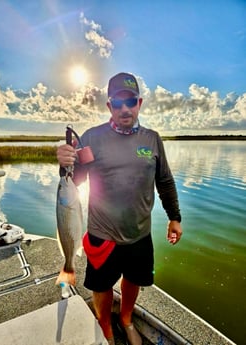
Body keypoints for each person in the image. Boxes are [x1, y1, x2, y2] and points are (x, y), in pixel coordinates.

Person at [57, 72, 182, 345]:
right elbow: (75, 182)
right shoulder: (92, 137)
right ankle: (105, 325)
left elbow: (165, 181)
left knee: (133, 281)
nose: (125, 108)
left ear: (140, 103)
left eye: (131, 101)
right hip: (103, 233)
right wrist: (66, 162)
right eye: (118, 102)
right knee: (101, 286)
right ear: (109, 106)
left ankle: (126, 319)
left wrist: (174, 217)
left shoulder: (152, 139)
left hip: (139, 233)